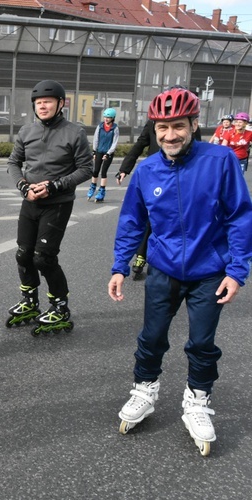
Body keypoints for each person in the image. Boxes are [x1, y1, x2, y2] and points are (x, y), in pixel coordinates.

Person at [108, 86, 252, 456]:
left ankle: (198, 400)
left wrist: (236, 271)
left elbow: (240, 217)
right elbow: (132, 222)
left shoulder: (220, 161)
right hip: (163, 269)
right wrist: (120, 266)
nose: (169, 135)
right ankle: (145, 389)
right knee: (152, 336)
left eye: (177, 126)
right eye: (162, 128)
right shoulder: (147, 170)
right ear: (154, 131)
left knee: (202, 343)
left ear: (193, 123)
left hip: (210, 273)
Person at [5, 80, 92, 335]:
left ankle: (60, 306)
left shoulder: (74, 132)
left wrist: (54, 186)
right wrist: (22, 186)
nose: (42, 106)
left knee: (43, 258)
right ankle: (30, 301)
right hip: (30, 201)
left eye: (48, 102)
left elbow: (86, 168)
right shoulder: (26, 132)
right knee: (23, 253)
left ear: (60, 104)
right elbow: (13, 163)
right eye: (38, 102)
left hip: (57, 203)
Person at [117, 114, 203, 278]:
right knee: (148, 218)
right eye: (163, 127)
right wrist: (124, 168)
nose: (170, 135)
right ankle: (141, 255)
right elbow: (140, 144)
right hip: (155, 174)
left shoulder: (188, 122)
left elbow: (196, 149)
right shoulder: (153, 123)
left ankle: (187, 260)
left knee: (175, 219)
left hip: (183, 175)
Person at [86, 108, 120, 202]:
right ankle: (92, 187)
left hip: (108, 152)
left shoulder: (115, 128)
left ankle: (101, 191)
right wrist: (94, 151)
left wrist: (108, 153)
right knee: (95, 170)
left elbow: (114, 142)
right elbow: (96, 138)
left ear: (112, 118)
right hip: (99, 151)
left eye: (108, 117)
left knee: (103, 172)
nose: (106, 119)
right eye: (105, 117)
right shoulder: (100, 126)